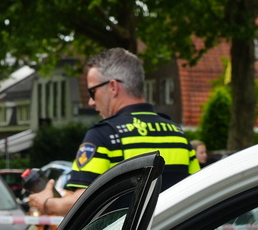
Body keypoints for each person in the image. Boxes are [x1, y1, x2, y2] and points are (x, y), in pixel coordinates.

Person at [27, 47, 198, 217]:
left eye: (92, 92)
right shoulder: (178, 135)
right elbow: (197, 191)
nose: (91, 102)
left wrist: (47, 204)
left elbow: (80, 204)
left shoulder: (104, 134)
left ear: (113, 87)